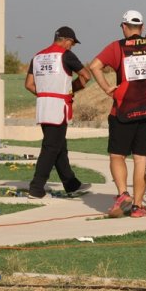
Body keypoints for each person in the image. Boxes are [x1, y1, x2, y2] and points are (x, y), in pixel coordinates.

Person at [89, 10, 146, 218]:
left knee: (117, 155)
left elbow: (95, 66)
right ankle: (138, 206)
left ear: (124, 27)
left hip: (123, 109)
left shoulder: (117, 47)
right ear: (141, 27)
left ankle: (123, 194)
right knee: (141, 159)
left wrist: (106, 88)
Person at [24, 26, 93, 199]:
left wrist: (45, 94)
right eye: (72, 43)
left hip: (43, 106)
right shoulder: (66, 55)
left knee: (59, 147)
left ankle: (72, 185)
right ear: (66, 40)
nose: (72, 47)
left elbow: (29, 84)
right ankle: (36, 188)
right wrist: (72, 89)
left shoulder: (37, 56)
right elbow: (86, 75)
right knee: (51, 148)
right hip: (59, 107)